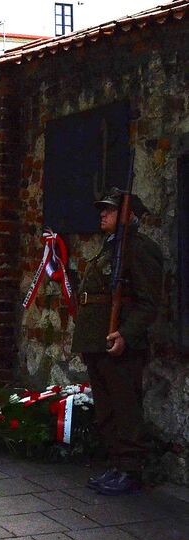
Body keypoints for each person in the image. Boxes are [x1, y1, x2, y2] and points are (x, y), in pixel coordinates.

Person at [75, 189, 162, 496]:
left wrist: (126, 333)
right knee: (108, 408)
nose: (102, 214)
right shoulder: (111, 247)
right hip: (99, 341)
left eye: (110, 210)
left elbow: (148, 303)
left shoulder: (139, 249)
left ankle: (131, 469)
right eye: (103, 210)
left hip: (120, 342)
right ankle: (117, 464)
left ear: (129, 215)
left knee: (125, 406)